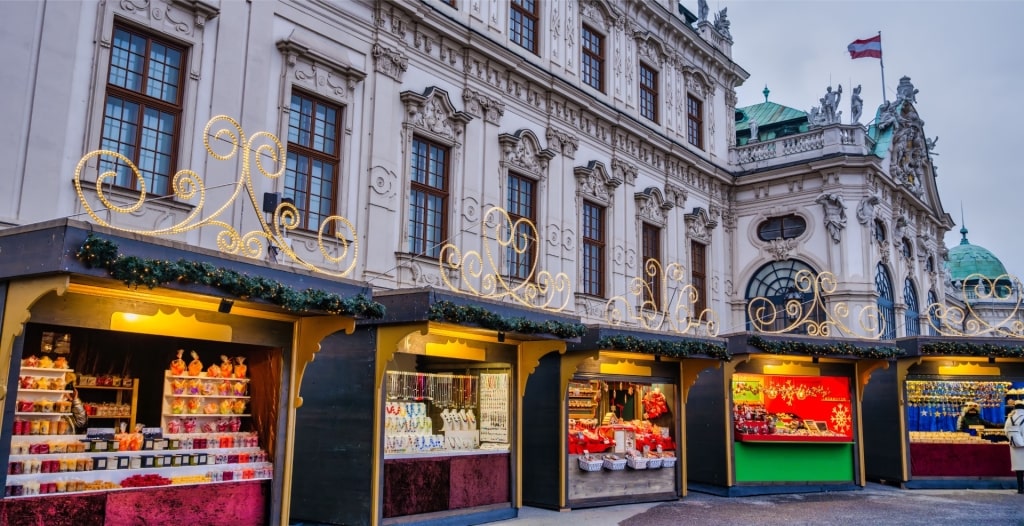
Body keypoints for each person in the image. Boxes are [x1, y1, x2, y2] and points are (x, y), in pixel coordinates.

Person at [1005, 401, 1024, 494]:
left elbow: (1006, 431)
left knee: (1019, 469)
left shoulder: (1010, 418)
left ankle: (1020, 488)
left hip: (1014, 445)